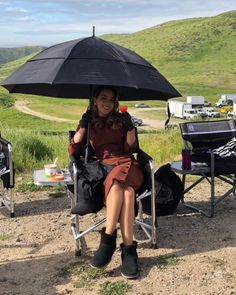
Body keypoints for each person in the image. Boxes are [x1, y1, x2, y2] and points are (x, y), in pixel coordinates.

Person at [68, 85, 144, 279]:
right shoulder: (89, 121)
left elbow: (130, 148)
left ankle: (108, 239)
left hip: (128, 165)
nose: (107, 103)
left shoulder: (121, 120)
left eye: (111, 99)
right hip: (105, 169)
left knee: (119, 183)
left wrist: (129, 128)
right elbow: (73, 149)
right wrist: (84, 126)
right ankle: (129, 251)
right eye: (103, 98)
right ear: (95, 100)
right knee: (127, 194)